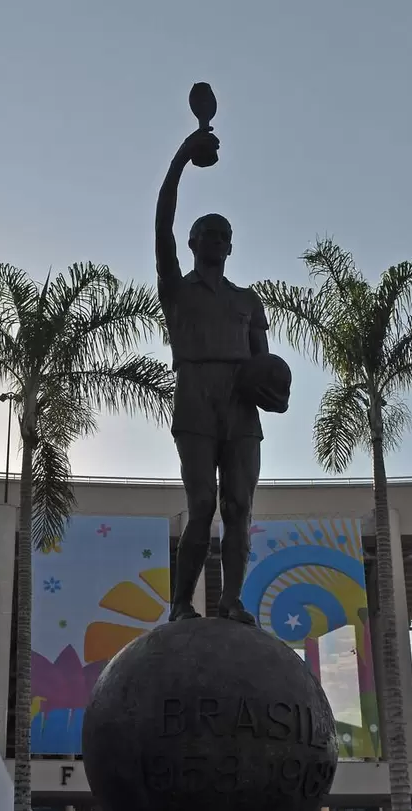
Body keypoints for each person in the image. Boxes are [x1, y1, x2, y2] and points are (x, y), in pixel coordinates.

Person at [156, 129, 269, 624]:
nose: (218, 240)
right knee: (202, 503)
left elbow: (263, 364)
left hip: (240, 405)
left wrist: (272, 388)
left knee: (240, 506)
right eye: (210, 233)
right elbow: (162, 216)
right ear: (193, 242)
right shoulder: (178, 290)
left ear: (231, 246)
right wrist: (183, 156)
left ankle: (230, 601)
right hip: (196, 397)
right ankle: (182, 604)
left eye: (225, 235)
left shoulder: (248, 300)